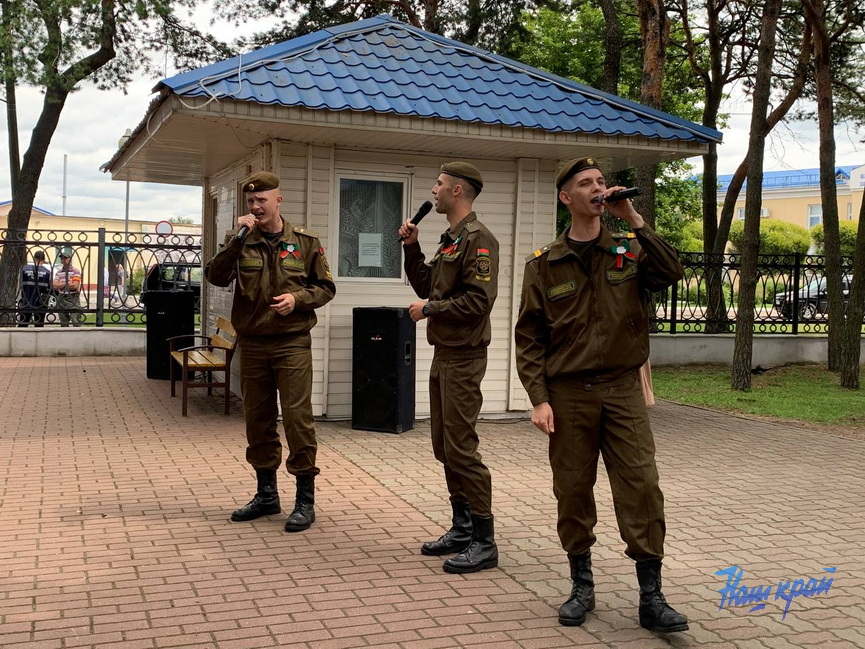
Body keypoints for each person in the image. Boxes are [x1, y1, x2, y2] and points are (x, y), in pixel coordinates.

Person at [514, 157, 688, 633]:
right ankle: (581, 586)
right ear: (565, 198)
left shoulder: (629, 250)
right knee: (572, 491)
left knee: (642, 487)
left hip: (622, 390)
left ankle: (651, 597)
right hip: (568, 394)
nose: (597, 188)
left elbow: (672, 272)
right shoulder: (544, 264)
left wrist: (633, 219)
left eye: (599, 182)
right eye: (584, 184)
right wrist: (538, 397)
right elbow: (529, 336)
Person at [204, 171, 336, 533]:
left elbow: (326, 288)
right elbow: (215, 276)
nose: (256, 206)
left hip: (291, 343)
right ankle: (266, 495)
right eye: (251, 201)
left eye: (262, 199)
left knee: (296, 419)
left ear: (278, 200)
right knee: (257, 420)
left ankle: (304, 500)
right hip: (253, 343)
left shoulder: (305, 242)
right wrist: (235, 240)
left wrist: (298, 299)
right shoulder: (241, 240)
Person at [399, 162, 500, 574]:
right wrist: (411, 248)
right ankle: (461, 527)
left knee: (462, 448)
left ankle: (484, 540)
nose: (433, 190)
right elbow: (427, 286)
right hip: (445, 355)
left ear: (457, 191)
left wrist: (430, 310)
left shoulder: (479, 240)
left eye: (438, 184)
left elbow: (478, 302)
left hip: (465, 357)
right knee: (444, 445)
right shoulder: (450, 240)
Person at [18, 250, 51, 327]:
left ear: (34, 258)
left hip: (27, 299)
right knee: (39, 324)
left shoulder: (24, 269)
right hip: (40, 302)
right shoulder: (47, 272)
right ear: (44, 259)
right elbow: (49, 287)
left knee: (23, 324)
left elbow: (20, 285)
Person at [53, 247, 82, 327]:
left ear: (69, 259)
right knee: (63, 321)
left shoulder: (75, 271)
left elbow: (75, 286)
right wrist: (67, 283)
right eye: (62, 258)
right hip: (61, 297)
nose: (63, 260)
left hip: (72, 297)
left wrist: (61, 283)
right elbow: (55, 285)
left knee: (76, 320)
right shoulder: (59, 272)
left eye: (65, 258)